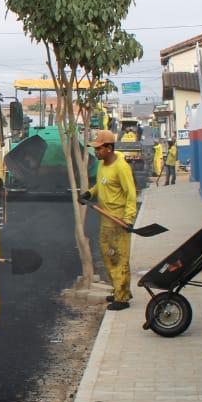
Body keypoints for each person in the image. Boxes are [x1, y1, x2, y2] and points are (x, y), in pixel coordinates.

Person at [79, 130, 137, 311]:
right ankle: (120, 291)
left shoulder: (121, 166)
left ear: (109, 148)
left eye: (99, 148)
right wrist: (90, 193)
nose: (95, 152)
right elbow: (101, 184)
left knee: (119, 259)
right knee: (108, 258)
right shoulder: (103, 165)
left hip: (118, 221)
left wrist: (128, 218)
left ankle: (122, 299)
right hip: (106, 219)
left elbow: (131, 193)